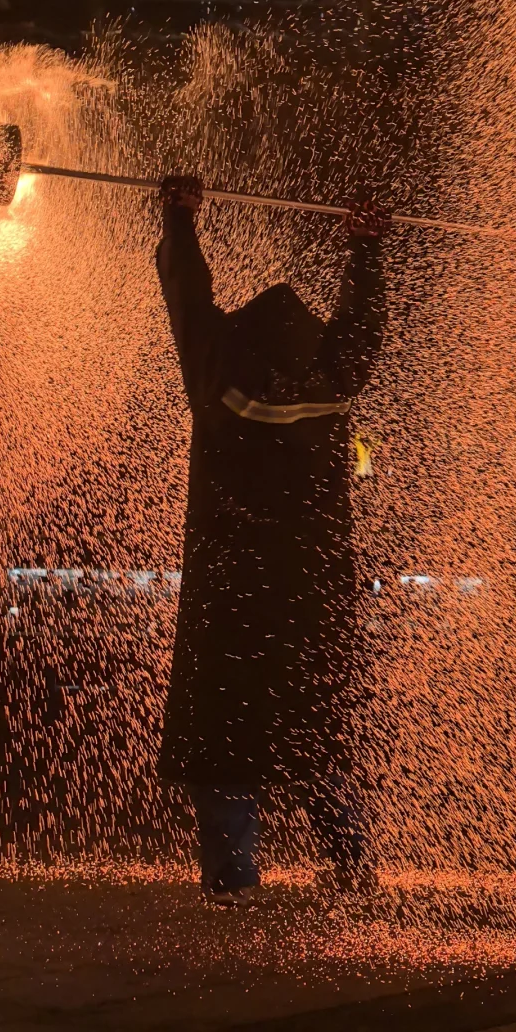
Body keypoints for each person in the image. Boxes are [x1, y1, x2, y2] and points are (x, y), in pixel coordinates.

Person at [155, 175, 389, 906]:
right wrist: (367, 247)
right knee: (319, 732)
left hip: (230, 586)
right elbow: (363, 324)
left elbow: (188, 302)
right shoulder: (335, 379)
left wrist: (180, 223)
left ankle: (235, 878)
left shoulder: (216, 373)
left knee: (225, 740)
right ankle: (351, 864)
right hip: (313, 588)